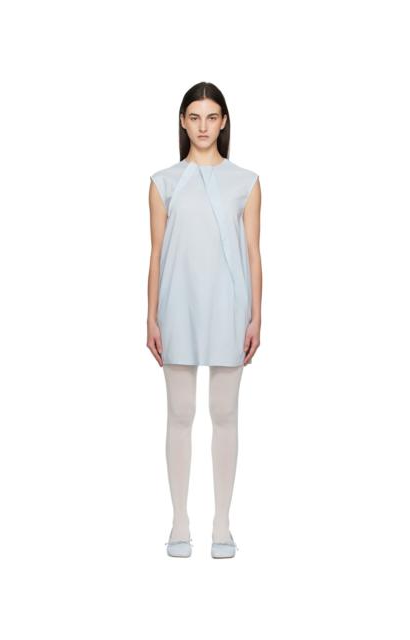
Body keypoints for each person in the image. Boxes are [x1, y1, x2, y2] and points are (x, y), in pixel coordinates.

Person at [147, 82, 262, 558]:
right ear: (182, 121)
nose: (203, 126)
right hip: (177, 304)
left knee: (225, 413)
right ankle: (179, 521)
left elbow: (253, 252)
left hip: (229, 305)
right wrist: (151, 317)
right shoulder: (163, 182)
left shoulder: (246, 182)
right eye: (194, 117)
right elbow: (156, 253)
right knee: (179, 413)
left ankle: (222, 524)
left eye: (211, 117)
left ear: (223, 122)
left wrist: (256, 316)